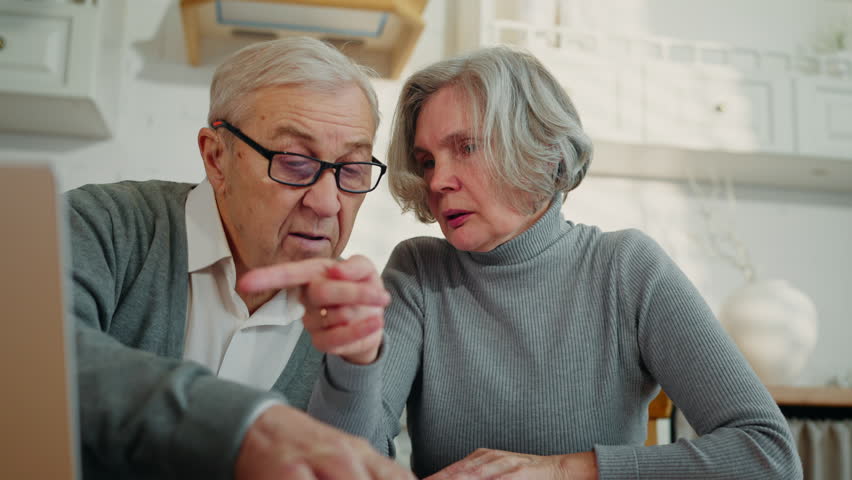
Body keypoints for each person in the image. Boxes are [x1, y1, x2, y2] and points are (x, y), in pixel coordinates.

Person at [266, 45, 802, 478]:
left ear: (542, 149)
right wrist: (356, 361)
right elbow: (342, 462)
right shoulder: (418, 270)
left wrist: (567, 471)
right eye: (427, 160)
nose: (437, 180)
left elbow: (768, 455)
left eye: (466, 148)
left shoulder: (626, 267)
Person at [69, 37, 414, 480]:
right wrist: (249, 427)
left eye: (351, 170)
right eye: (293, 161)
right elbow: (34, 354)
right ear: (216, 157)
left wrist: (354, 366)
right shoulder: (103, 226)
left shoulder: (353, 310)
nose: (328, 203)